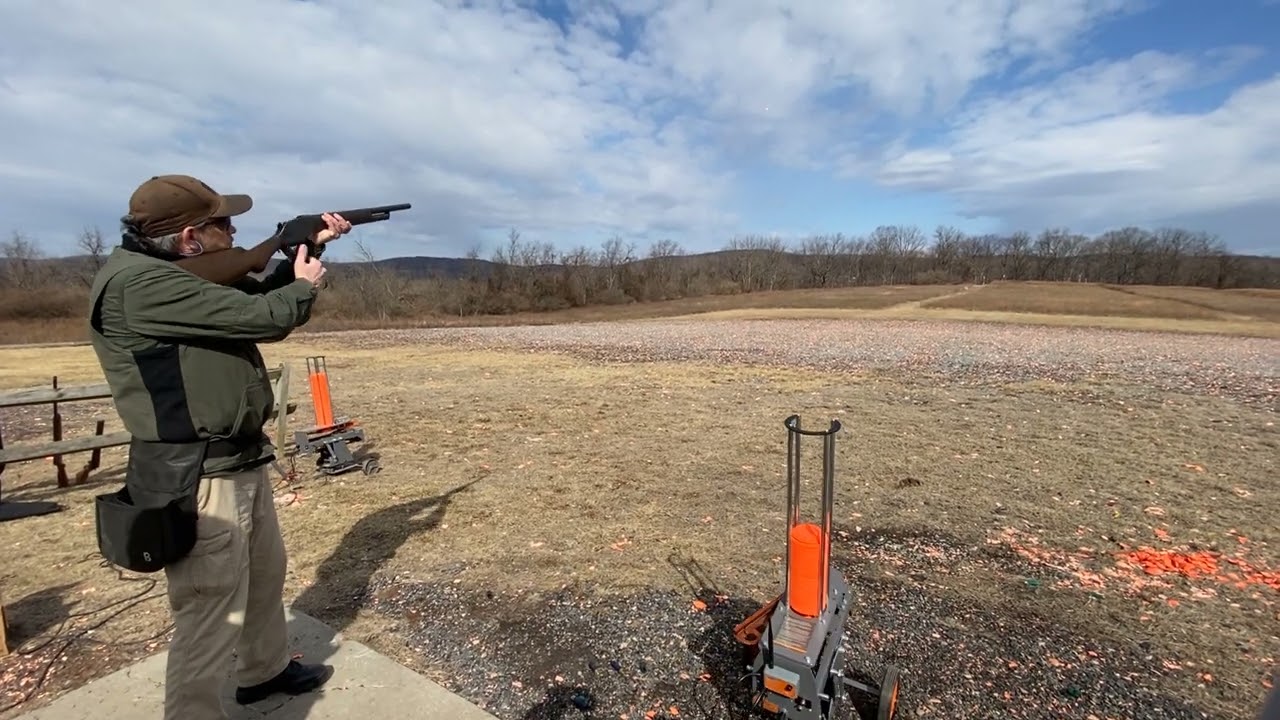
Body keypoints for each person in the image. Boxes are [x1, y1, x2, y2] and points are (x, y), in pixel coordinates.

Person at [86, 174, 351, 720]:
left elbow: (251, 294)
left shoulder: (167, 274)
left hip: (237, 456)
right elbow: (264, 317)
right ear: (190, 238)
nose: (233, 234)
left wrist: (300, 249)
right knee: (211, 608)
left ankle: (263, 671)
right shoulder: (141, 285)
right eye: (224, 225)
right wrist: (305, 286)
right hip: (198, 472)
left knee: (263, 575)